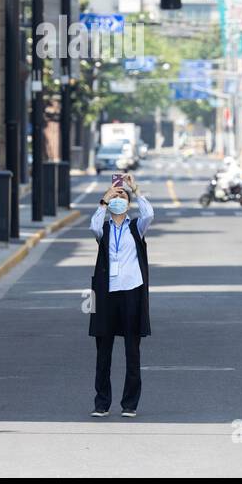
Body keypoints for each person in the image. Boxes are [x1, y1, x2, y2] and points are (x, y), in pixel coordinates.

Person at [87, 173, 153, 418]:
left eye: (121, 195)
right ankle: (102, 403)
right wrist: (103, 200)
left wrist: (135, 189)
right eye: (116, 194)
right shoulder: (103, 229)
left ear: (128, 202)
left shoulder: (136, 227)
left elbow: (149, 215)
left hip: (132, 293)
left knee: (132, 351)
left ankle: (130, 404)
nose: (119, 198)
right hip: (105, 295)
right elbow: (93, 225)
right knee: (103, 353)